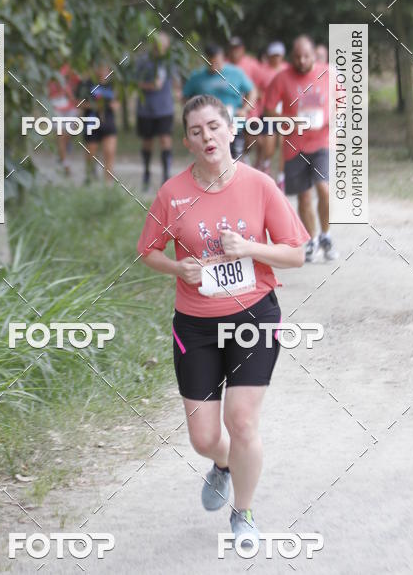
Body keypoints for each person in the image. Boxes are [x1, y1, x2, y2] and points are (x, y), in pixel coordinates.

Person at [137, 94, 309, 547]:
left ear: (232, 130)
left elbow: (295, 254)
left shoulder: (260, 185)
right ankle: (223, 463)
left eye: (214, 126)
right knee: (204, 436)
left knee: (242, 421)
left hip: (254, 316)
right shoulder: (172, 194)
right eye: (196, 131)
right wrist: (178, 268)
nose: (207, 136)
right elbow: (148, 251)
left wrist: (249, 248)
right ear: (187, 142)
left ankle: (244, 513)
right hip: (195, 325)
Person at [264, 35, 338, 262]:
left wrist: (332, 118)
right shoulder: (282, 78)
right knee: (304, 197)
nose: (302, 61)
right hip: (294, 145)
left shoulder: (329, 73)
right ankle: (312, 240)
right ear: (291, 57)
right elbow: (268, 110)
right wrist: (290, 119)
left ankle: (326, 235)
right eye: (297, 57)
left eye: (306, 56)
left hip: (321, 141)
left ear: (314, 55)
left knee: (324, 189)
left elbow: (341, 101)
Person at [183, 43, 257, 160]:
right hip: (208, 123)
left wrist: (245, 109)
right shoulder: (197, 77)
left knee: (236, 154)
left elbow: (252, 91)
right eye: (211, 62)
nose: (214, 66)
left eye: (217, 62)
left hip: (234, 118)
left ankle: (241, 163)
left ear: (223, 58)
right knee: (214, 155)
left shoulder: (236, 73)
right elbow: (186, 96)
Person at [135, 31, 179, 190]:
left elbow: (176, 81)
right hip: (146, 109)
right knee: (147, 142)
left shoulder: (169, 62)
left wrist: (177, 91)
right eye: (158, 45)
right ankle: (146, 173)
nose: (160, 48)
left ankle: (166, 175)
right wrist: (149, 85)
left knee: (165, 140)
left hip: (165, 108)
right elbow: (134, 81)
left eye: (164, 45)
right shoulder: (143, 61)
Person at [76, 63, 119, 184]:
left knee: (109, 152)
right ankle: (90, 177)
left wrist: (115, 105)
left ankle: (108, 183)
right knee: (91, 153)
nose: (103, 71)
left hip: (108, 122)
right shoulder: (87, 84)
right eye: (101, 68)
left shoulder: (114, 84)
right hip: (91, 122)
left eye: (106, 69)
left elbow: (118, 102)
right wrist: (95, 106)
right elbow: (79, 103)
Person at [255, 42, 289, 185]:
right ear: (269, 56)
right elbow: (255, 91)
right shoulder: (262, 71)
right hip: (268, 113)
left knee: (285, 145)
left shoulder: (288, 69)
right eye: (273, 55)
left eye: (278, 55)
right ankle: (264, 165)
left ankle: (281, 177)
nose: (276, 58)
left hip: (285, 113)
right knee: (268, 145)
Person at [47, 62, 80, 174]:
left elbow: (76, 83)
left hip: (69, 107)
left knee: (67, 135)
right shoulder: (48, 71)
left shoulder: (69, 67)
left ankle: (62, 154)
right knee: (60, 136)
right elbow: (48, 93)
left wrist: (72, 96)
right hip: (56, 107)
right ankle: (66, 165)